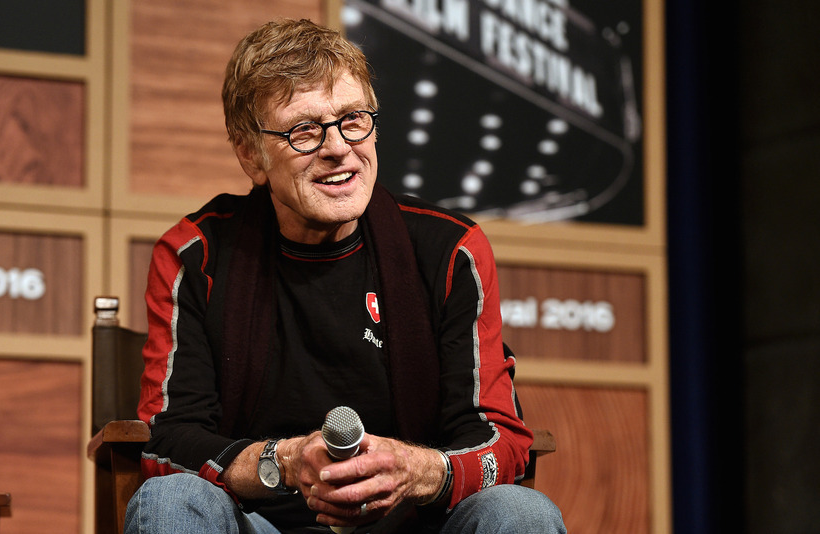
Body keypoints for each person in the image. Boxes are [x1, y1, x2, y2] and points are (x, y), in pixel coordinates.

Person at [125, 18, 566, 534]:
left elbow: (501, 438)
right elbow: (169, 440)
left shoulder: (451, 249)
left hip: (418, 524)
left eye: (353, 119)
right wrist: (286, 462)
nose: (338, 147)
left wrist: (414, 469)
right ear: (251, 155)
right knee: (170, 499)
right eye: (304, 131)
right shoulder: (194, 255)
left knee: (521, 513)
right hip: (262, 523)